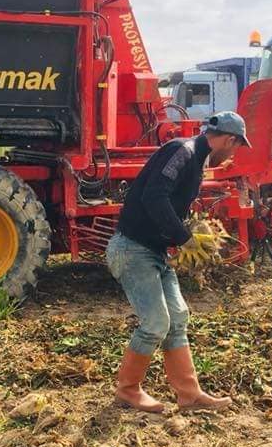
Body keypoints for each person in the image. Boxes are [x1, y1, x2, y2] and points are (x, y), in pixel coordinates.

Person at [106, 112, 249, 413]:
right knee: (156, 322)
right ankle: (128, 390)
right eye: (236, 146)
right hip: (132, 249)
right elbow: (154, 197)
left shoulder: (195, 160)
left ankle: (189, 394)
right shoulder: (181, 151)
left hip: (154, 251)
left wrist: (182, 233)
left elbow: (167, 202)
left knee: (178, 317)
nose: (234, 153)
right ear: (229, 139)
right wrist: (184, 238)